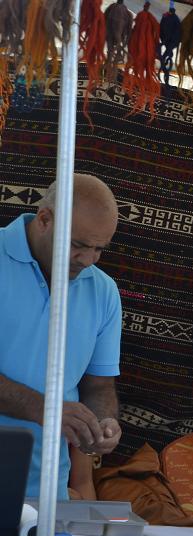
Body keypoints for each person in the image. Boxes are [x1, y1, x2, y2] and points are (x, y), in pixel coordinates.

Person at [0, 174, 123, 500]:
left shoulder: (104, 291)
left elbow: (98, 386)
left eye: (99, 249)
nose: (88, 260)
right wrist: (45, 409)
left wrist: (102, 423)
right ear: (44, 219)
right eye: (78, 245)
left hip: (45, 495)